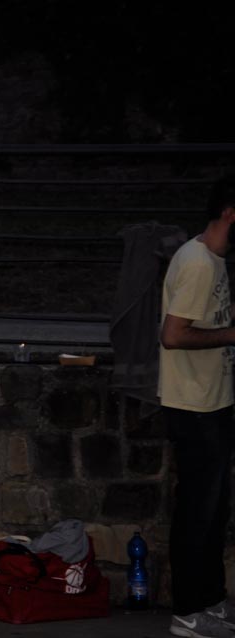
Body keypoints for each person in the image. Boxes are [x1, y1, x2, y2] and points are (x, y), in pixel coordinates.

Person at [159, 176, 235, 638]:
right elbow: (172, 336)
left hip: (213, 401)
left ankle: (210, 602)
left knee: (214, 513)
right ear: (231, 213)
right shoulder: (198, 264)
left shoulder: (214, 260)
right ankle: (188, 613)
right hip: (192, 406)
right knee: (197, 514)